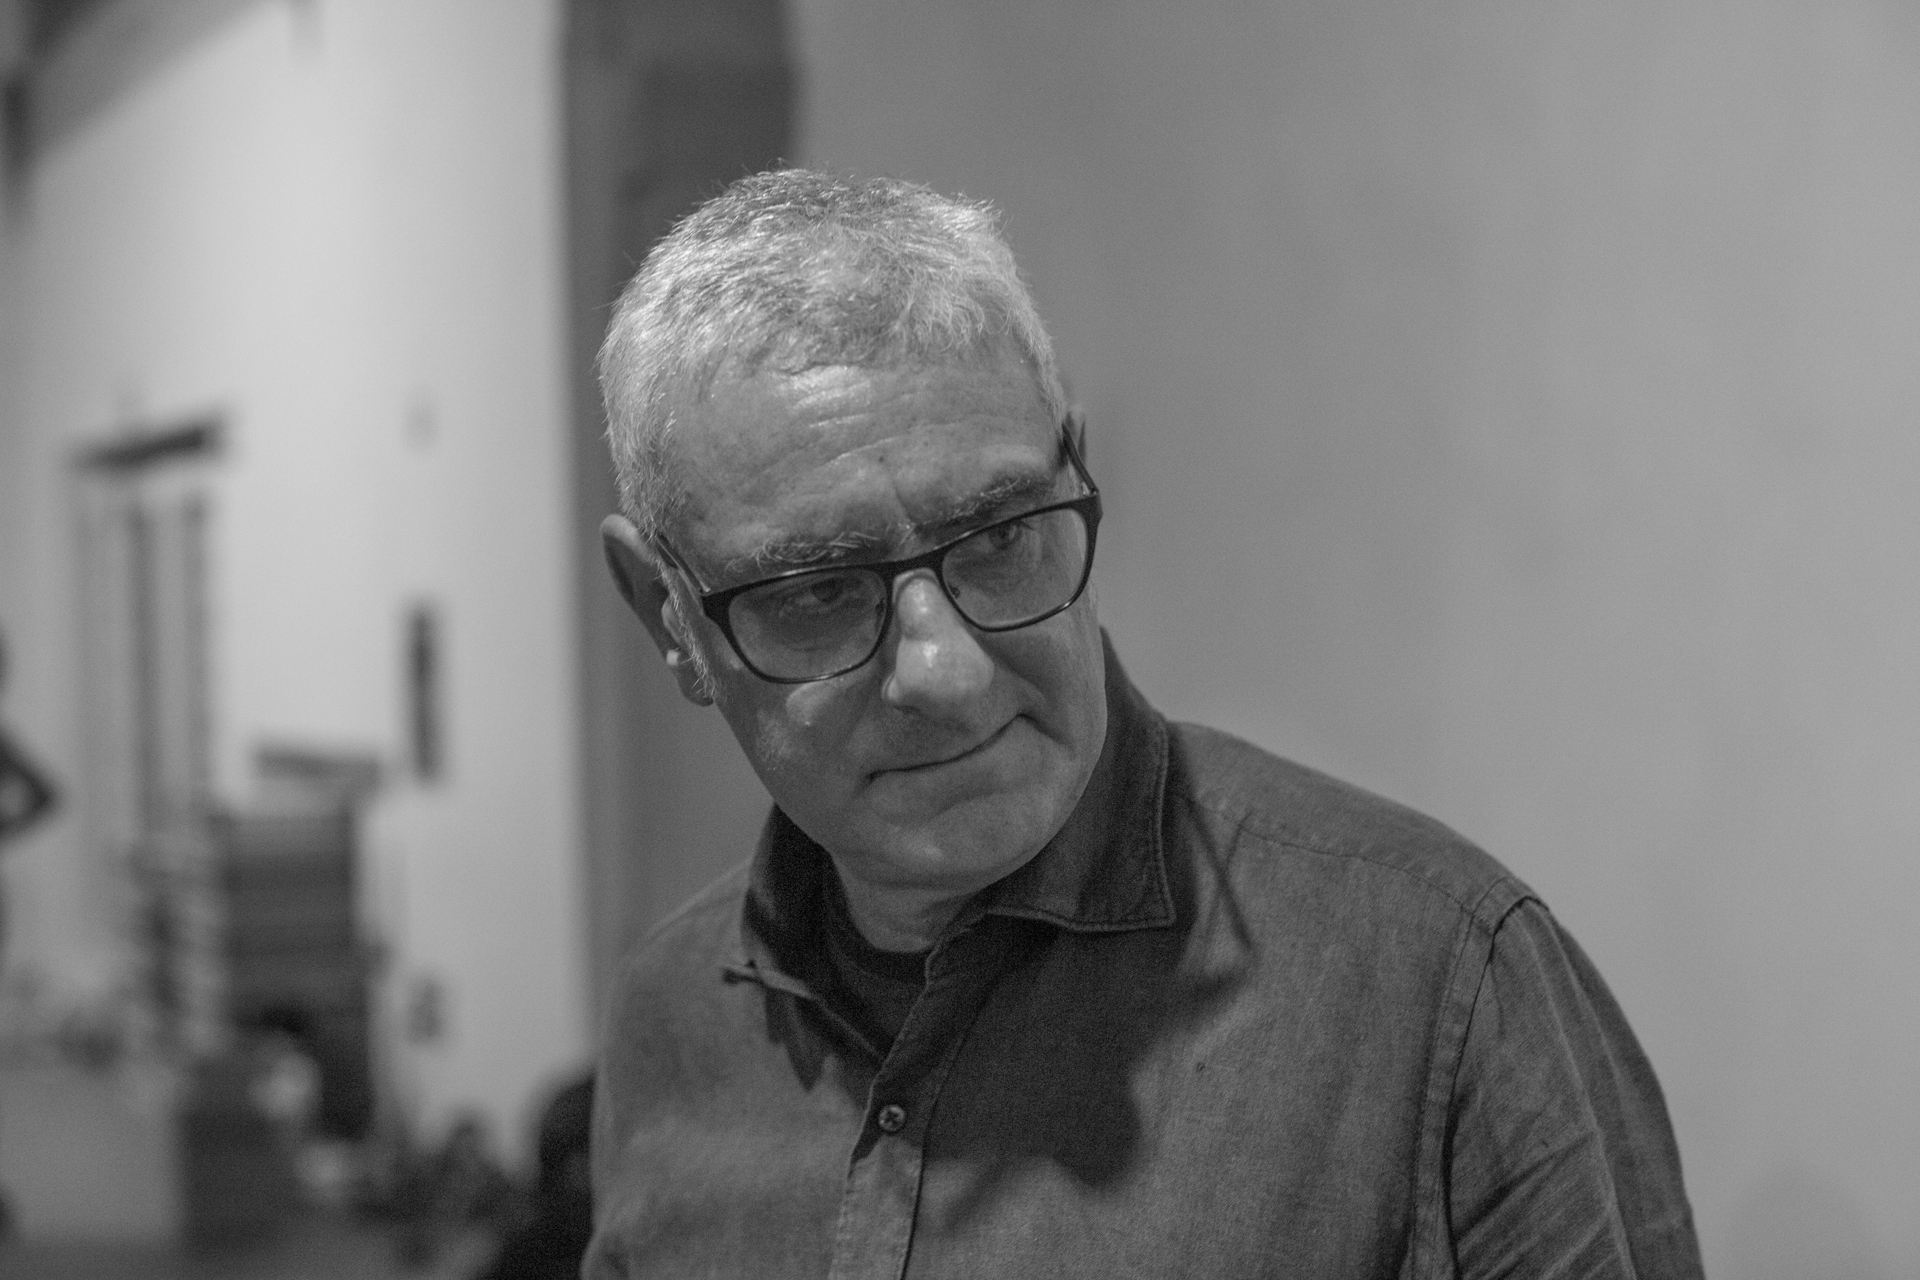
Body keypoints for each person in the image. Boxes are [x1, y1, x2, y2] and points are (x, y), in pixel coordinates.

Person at [586, 169, 1703, 1278]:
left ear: (1075, 467)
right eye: (821, 591)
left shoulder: (1440, 986)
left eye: (1000, 537)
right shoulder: (669, 1021)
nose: (946, 671)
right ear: (665, 614)